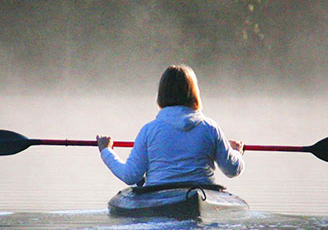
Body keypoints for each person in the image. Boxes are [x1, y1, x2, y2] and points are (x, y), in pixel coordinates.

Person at [96, 65, 244, 187]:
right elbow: (232, 169)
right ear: (194, 93)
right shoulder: (210, 128)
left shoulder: (149, 130)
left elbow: (130, 176)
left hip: (158, 197)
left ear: (162, 93)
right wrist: (236, 152)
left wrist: (106, 150)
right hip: (202, 192)